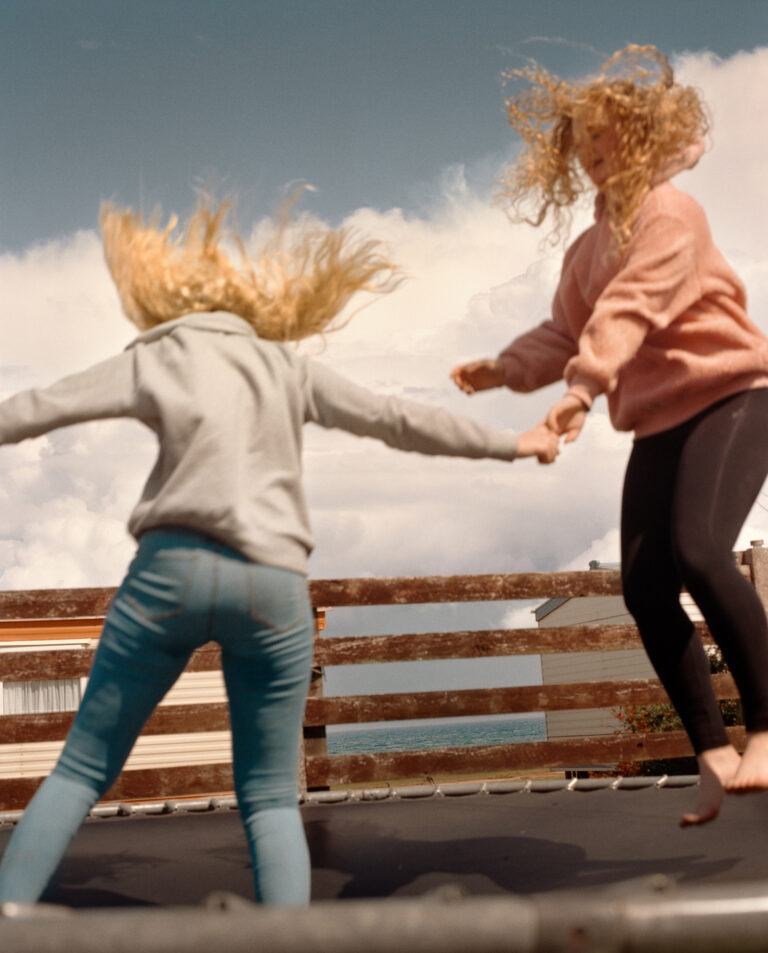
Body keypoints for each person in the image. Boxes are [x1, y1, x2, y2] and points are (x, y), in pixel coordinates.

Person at [0, 195, 558, 907]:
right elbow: (396, 419)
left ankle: (8, 921)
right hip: (271, 583)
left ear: (168, 302)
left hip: (169, 572)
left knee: (81, 767)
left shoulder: (157, 354)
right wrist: (516, 442)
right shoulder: (282, 365)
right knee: (268, 795)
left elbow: (36, 406)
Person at [451, 45, 768, 826]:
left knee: (699, 552)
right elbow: (567, 326)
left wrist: (583, 390)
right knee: (643, 587)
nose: (598, 161)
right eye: (586, 150)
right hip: (659, 419)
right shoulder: (587, 247)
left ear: (646, 139)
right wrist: (506, 367)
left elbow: (629, 308)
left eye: (610, 145)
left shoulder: (671, 213)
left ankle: (767, 726)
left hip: (734, 394)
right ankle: (711, 754)